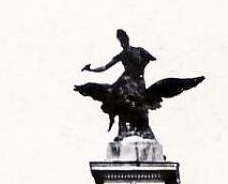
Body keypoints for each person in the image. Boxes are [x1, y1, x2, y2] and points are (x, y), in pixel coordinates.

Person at [75, 29, 204, 140]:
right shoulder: (131, 53)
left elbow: (105, 67)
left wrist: (91, 69)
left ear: (125, 40)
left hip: (133, 82)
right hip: (128, 82)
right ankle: (125, 129)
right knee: (122, 102)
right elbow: (105, 67)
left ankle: (132, 129)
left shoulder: (132, 52)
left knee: (132, 102)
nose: (122, 42)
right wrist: (91, 70)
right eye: (121, 40)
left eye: (122, 39)